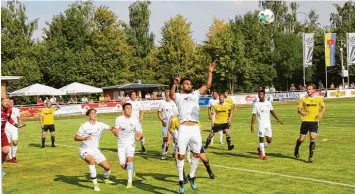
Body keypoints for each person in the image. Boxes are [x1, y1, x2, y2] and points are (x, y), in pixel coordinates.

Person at [170, 61, 215, 193]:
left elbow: (207, 85)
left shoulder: (195, 94)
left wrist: (210, 72)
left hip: (195, 128)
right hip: (183, 128)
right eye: (186, 84)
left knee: (197, 153)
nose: (189, 85)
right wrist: (174, 83)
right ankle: (180, 181)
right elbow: (171, 95)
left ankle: (191, 176)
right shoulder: (178, 96)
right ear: (182, 86)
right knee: (181, 156)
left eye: (190, 84)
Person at [74, 108, 115, 191]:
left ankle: (105, 179)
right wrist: (84, 138)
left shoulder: (100, 124)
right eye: (92, 113)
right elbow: (76, 137)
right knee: (91, 161)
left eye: (95, 113)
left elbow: (111, 128)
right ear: (88, 115)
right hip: (85, 150)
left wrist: (116, 130)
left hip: (95, 150)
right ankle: (95, 184)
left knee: (107, 167)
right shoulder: (84, 125)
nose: (94, 114)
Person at [113, 103, 143, 189]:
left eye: (130, 108)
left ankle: (129, 182)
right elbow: (117, 131)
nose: (129, 110)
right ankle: (132, 168)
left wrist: (138, 137)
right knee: (123, 165)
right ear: (123, 110)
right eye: (127, 108)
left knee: (129, 159)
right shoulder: (118, 119)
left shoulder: (135, 120)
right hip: (121, 144)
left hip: (131, 143)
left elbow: (140, 133)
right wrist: (115, 132)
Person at [294, 84, 326, 163]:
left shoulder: (319, 99)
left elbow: (324, 107)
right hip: (305, 121)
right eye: (307, 89)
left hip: (314, 121)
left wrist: (321, 113)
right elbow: (298, 109)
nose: (308, 91)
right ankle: (297, 148)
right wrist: (301, 112)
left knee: (312, 137)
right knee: (301, 139)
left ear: (314, 90)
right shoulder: (303, 99)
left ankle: (310, 157)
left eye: (310, 89)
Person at [250, 89, 283, 160]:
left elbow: (272, 111)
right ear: (258, 95)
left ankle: (260, 149)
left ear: (264, 95)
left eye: (261, 94)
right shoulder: (256, 104)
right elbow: (254, 115)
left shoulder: (268, 103)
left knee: (269, 140)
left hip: (268, 124)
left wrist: (278, 119)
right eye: (259, 94)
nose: (260, 96)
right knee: (261, 139)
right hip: (261, 124)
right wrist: (252, 125)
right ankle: (264, 155)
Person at [158, 90, 178, 160]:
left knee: (176, 139)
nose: (168, 96)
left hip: (173, 123)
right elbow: (159, 113)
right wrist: (162, 121)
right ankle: (163, 153)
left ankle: (174, 152)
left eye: (169, 94)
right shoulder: (162, 103)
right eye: (166, 95)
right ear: (165, 95)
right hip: (165, 123)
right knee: (165, 139)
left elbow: (176, 114)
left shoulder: (174, 103)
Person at [1, 97, 18, 177]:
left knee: (6, 149)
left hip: (2, 132)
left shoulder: (9, 110)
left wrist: (16, 125)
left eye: (8, 101)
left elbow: (8, 118)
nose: (7, 103)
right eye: (5, 101)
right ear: (1, 102)